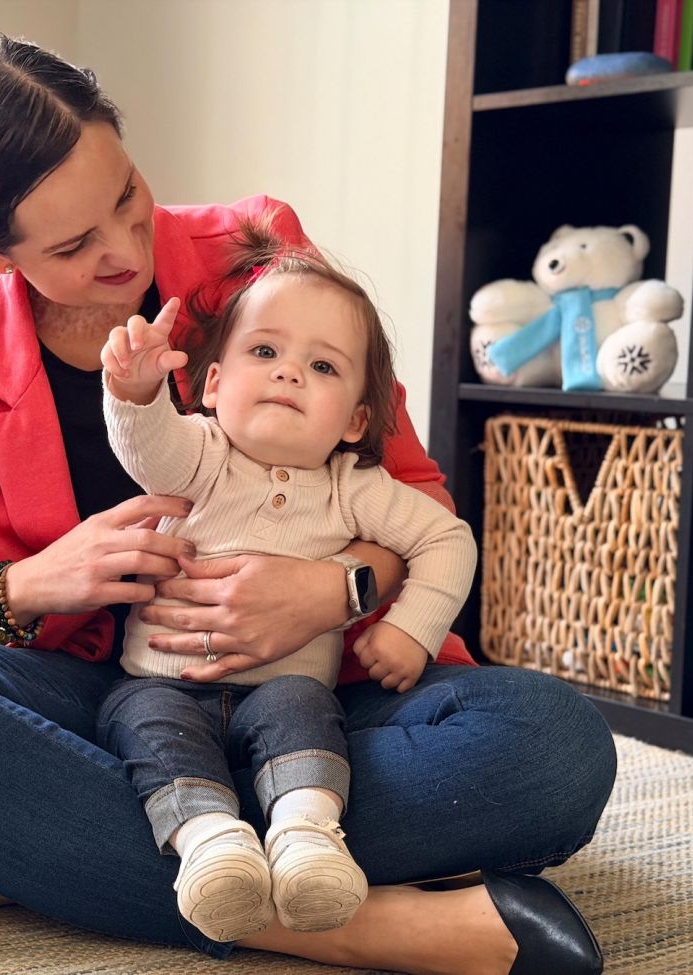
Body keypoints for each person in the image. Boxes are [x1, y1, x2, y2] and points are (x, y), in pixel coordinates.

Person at [0, 32, 614, 975]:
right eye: (73, 245)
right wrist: (24, 587)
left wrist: (335, 590)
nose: (123, 251)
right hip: (112, 707)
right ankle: (359, 923)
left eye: (125, 195)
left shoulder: (253, 255)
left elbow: (415, 495)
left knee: (555, 748)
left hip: (319, 699)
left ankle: (7, 861)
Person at [96, 234, 477, 942]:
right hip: (164, 681)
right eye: (264, 352)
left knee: (306, 708)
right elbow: (147, 446)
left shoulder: (352, 486)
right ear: (212, 386)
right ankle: (213, 845)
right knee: (141, 721)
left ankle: (306, 838)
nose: (289, 374)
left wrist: (410, 627)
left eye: (323, 365)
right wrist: (136, 389)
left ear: (356, 420)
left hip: (284, 689)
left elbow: (446, 537)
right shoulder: (202, 454)